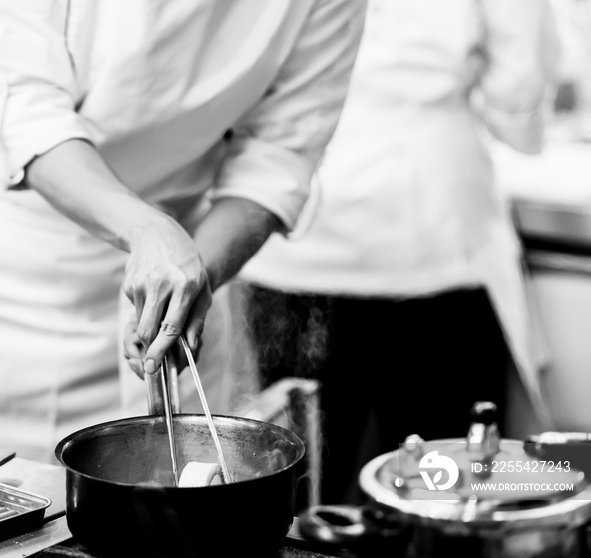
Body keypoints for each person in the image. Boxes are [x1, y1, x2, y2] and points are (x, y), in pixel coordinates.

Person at [0, 0, 368, 462]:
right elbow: (26, 114)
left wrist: (192, 276)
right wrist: (145, 230)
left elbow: (277, 158)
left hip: (188, 258)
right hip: (2, 284)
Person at [240, 0, 560, 505]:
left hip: (291, 226)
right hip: (428, 239)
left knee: (298, 495)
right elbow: (519, 88)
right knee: (439, 488)